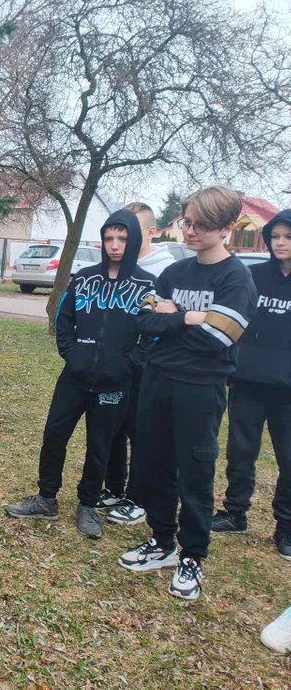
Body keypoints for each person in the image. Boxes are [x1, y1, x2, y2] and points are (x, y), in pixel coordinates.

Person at [118, 186, 256, 601]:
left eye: (200, 225)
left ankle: (192, 556)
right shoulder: (174, 274)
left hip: (202, 387)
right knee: (153, 464)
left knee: (195, 473)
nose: (189, 231)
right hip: (157, 381)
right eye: (186, 221)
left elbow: (218, 338)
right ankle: (161, 542)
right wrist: (190, 319)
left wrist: (175, 317)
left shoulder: (237, 279)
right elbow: (144, 322)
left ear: (226, 228)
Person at [5, 209, 156, 539]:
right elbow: (64, 321)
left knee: (99, 446)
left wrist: (127, 365)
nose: (115, 245)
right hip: (74, 377)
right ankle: (46, 499)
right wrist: (73, 357)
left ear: (134, 241)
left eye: (122, 238)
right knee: (54, 435)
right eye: (109, 238)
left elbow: (151, 334)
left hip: (114, 385)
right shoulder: (84, 277)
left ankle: (88, 504)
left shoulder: (147, 286)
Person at [211, 209, 291, 560]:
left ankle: (285, 527)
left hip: (287, 391)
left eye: (287, 237)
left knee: (289, 460)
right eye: (275, 236)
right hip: (246, 382)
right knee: (240, 453)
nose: (280, 243)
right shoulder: (254, 276)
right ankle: (234, 513)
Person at [103, 203, 176, 525]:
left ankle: (138, 497)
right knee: (114, 427)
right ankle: (115, 488)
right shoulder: (118, 266)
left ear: (148, 233)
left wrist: (139, 357)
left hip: (149, 366)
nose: (120, 240)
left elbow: (163, 322)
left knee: (142, 433)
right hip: (117, 365)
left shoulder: (165, 270)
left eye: (129, 232)